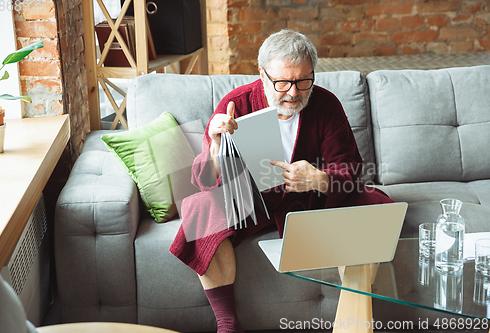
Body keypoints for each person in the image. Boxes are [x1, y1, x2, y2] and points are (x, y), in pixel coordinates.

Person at [169, 29, 394, 333]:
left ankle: (353, 319)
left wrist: (320, 178)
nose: (293, 93)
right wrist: (214, 146)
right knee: (199, 209)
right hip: (253, 202)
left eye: (303, 81)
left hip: (312, 200)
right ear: (261, 74)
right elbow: (204, 181)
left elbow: (351, 169)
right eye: (283, 82)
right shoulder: (236, 103)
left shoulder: (325, 104)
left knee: (374, 208)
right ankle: (227, 322)